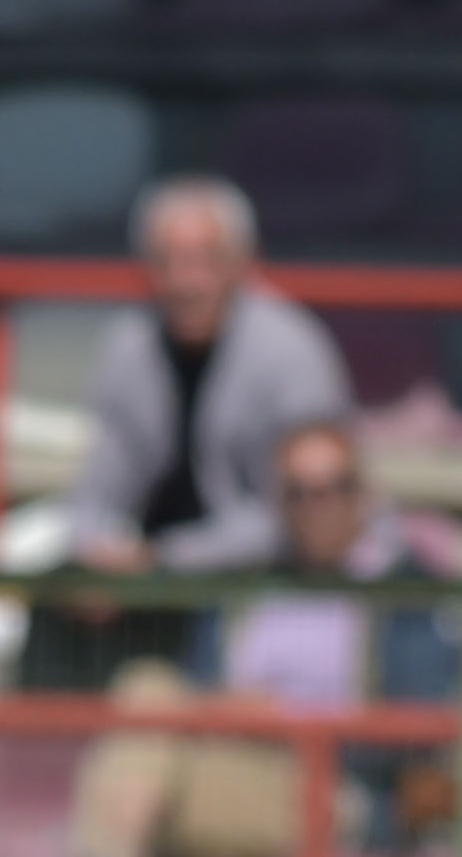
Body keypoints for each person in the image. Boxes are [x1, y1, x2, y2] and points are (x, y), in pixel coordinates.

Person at [14, 416, 462, 857]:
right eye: (298, 493)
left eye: (332, 488)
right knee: (147, 688)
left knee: (146, 719)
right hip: (219, 766)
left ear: (362, 494)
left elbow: (413, 732)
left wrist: (285, 718)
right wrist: (233, 712)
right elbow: (196, 686)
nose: (316, 507)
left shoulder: (409, 593)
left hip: (326, 787)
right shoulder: (251, 584)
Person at [25, 172, 348, 700]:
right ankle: (33, 766)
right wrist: (93, 556)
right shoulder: (130, 346)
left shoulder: (292, 354)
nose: (184, 281)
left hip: (250, 576)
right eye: (167, 261)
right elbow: (96, 487)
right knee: (59, 592)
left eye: (203, 260)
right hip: (149, 574)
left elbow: (296, 517)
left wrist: (166, 558)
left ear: (243, 262)